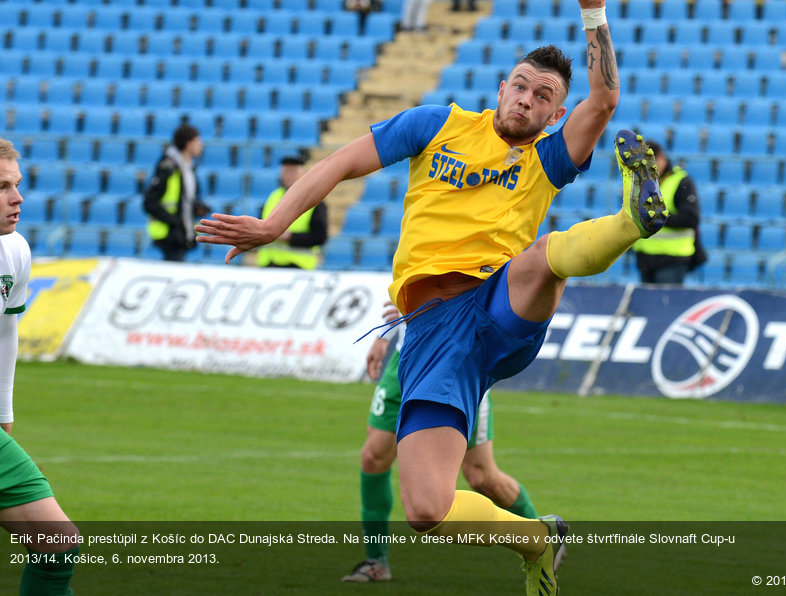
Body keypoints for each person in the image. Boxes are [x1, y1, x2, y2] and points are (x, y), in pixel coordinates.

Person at [197, 2, 667, 592]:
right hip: (430, 337)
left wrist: (594, 12)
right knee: (426, 510)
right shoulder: (435, 126)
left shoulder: (546, 159)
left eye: (543, 96)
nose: (527, 98)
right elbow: (341, 163)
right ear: (501, 88)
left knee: (542, 258)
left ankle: (630, 221)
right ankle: (538, 539)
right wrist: (273, 225)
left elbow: (604, 102)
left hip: (498, 307)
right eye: (520, 86)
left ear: (556, 114)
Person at [341, 302, 538, 582]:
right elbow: (408, 280)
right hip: (407, 357)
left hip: (454, 360)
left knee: (482, 477)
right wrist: (385, 334)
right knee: (373, 457)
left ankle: (544, 537)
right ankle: (376, 561)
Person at [0, 137, 81, 595]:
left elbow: (5, 336)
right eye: (1, 186)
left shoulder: (14, 251)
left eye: (18, 184)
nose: (17, 198)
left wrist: (2, 415)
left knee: (56, 543)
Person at [631, 140, 704, 284]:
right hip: (645, 259)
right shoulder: (638, 181)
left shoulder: (681, 182)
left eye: (650, 163)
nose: (646, 168)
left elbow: (690, 218)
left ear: (661, 158)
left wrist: (656, 216)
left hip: (672, 259)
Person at [143, 123, 210, 262]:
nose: (201, 145)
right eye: (197, 141)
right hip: (170, 234)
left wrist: (198, 207)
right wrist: (175, 222)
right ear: (188, 144)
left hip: (182, 232)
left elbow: (185, 199)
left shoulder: (189, 168)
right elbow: (149, 202)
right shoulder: (168, 167)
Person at [255, 155, 328, 269]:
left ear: (303, 174)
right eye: (286, 171)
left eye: (293, 172)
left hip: (298, 266)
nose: (288, 176)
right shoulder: (272, 197)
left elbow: (320, 237)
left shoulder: (315, 200)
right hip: (269, 264)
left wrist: (290, 237)